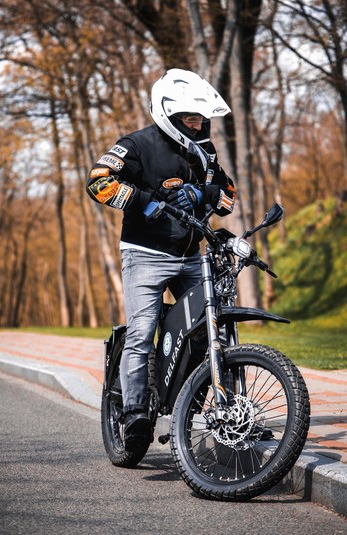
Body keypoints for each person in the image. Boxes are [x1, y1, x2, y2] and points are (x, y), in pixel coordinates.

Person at [86, 68, 236, 452]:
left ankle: (196, 408)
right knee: (141, 332)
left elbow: (228, 197)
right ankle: (134, 414)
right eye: (191, 118)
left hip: (191, 258)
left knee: (207, 333)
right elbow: (98, 181)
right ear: (169, 115)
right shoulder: (137, 145)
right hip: (145, 255)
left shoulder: (205, 152)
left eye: (201, 118)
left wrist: (203, 195)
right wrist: (143, 201)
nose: (198, 125)